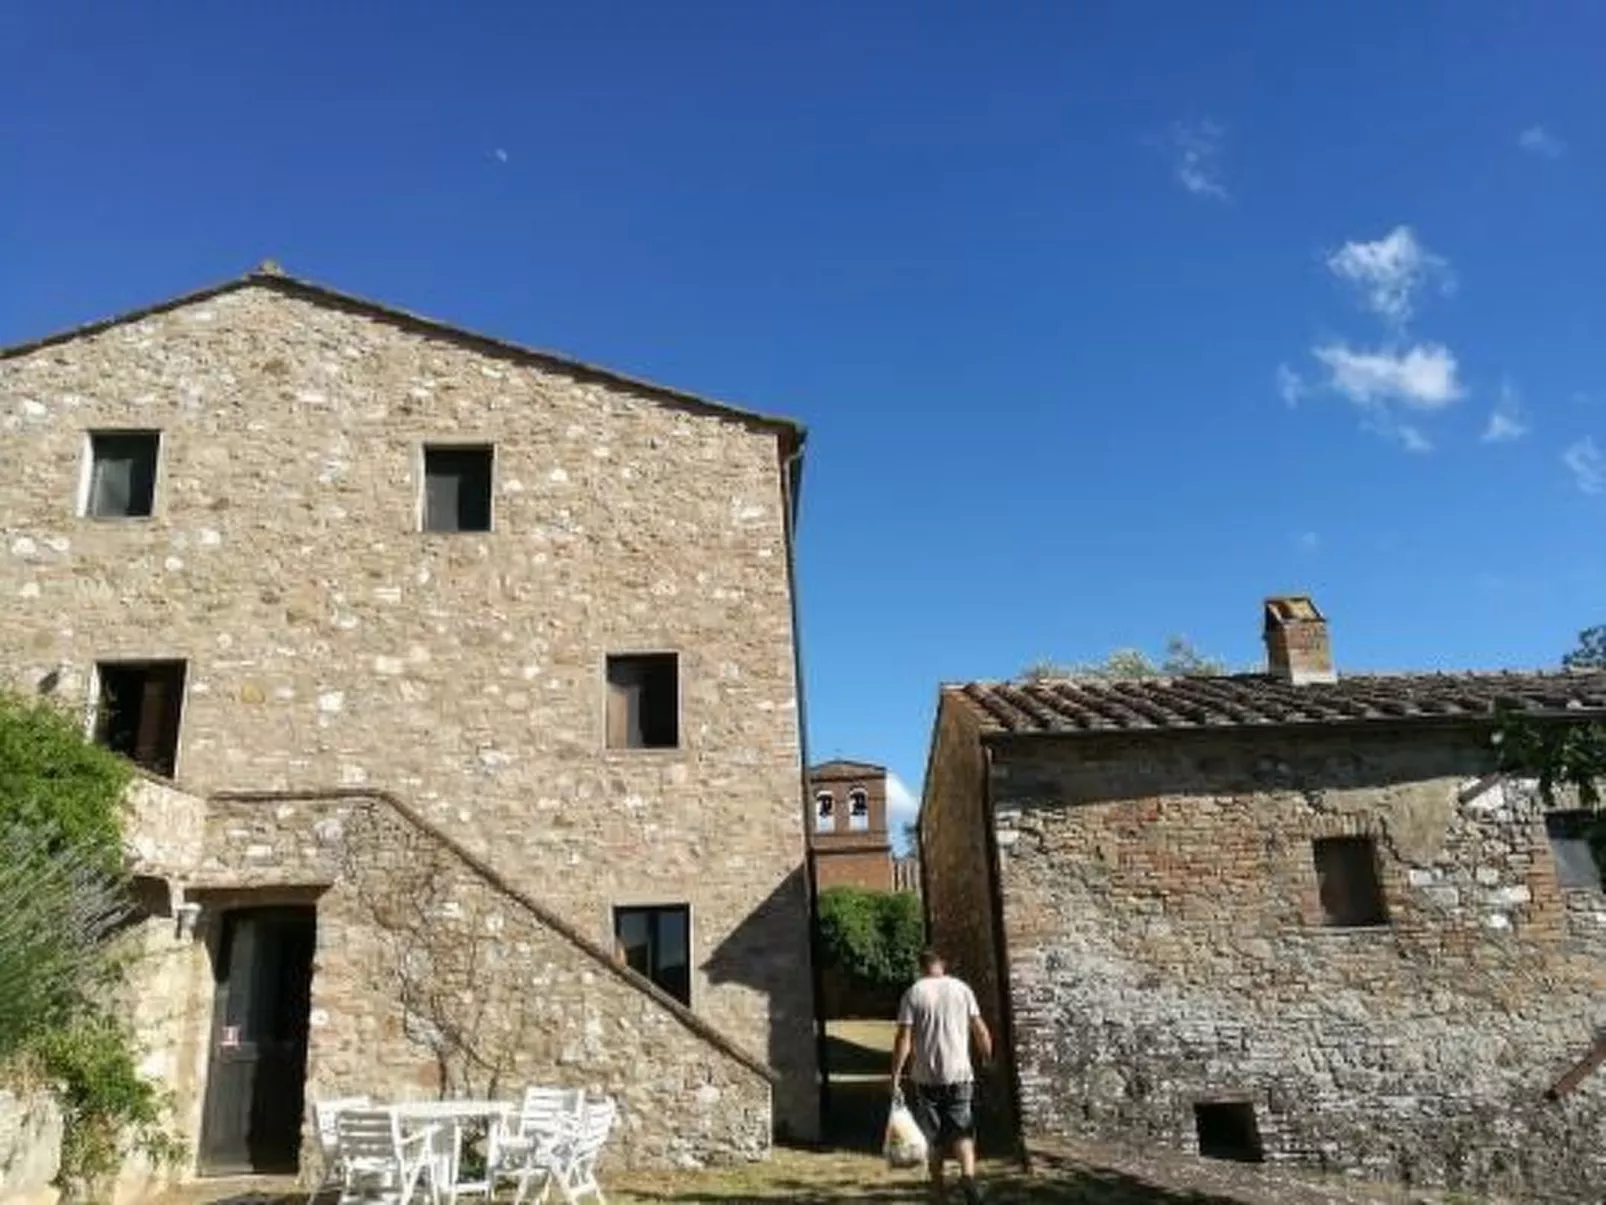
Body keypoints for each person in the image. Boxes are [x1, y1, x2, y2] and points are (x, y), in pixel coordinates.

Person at [890, 947, 992, 1203]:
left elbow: (904, 1038)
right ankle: (968, 1176)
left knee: (932, 1137)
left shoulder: (913, 994)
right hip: (959, 1074)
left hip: (927, 1077)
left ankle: (939, 1193)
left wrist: (895, 1076)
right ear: (941, 965)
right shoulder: (962, 990)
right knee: (962, 1129)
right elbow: (980, 1029)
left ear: (921, 967)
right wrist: (987, 1058)